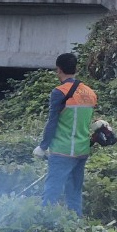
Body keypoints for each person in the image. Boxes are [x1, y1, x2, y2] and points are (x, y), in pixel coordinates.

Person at [34, 52, 99, 216]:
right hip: (82, 151)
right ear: (76, 69)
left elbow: (53, 122)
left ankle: (44, 224)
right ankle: (75, 226)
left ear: (58, 70)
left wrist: (43, 146)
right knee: (74, 193)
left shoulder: (59, 92)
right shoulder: (90, 93)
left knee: (51, 192)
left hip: (62, 151)